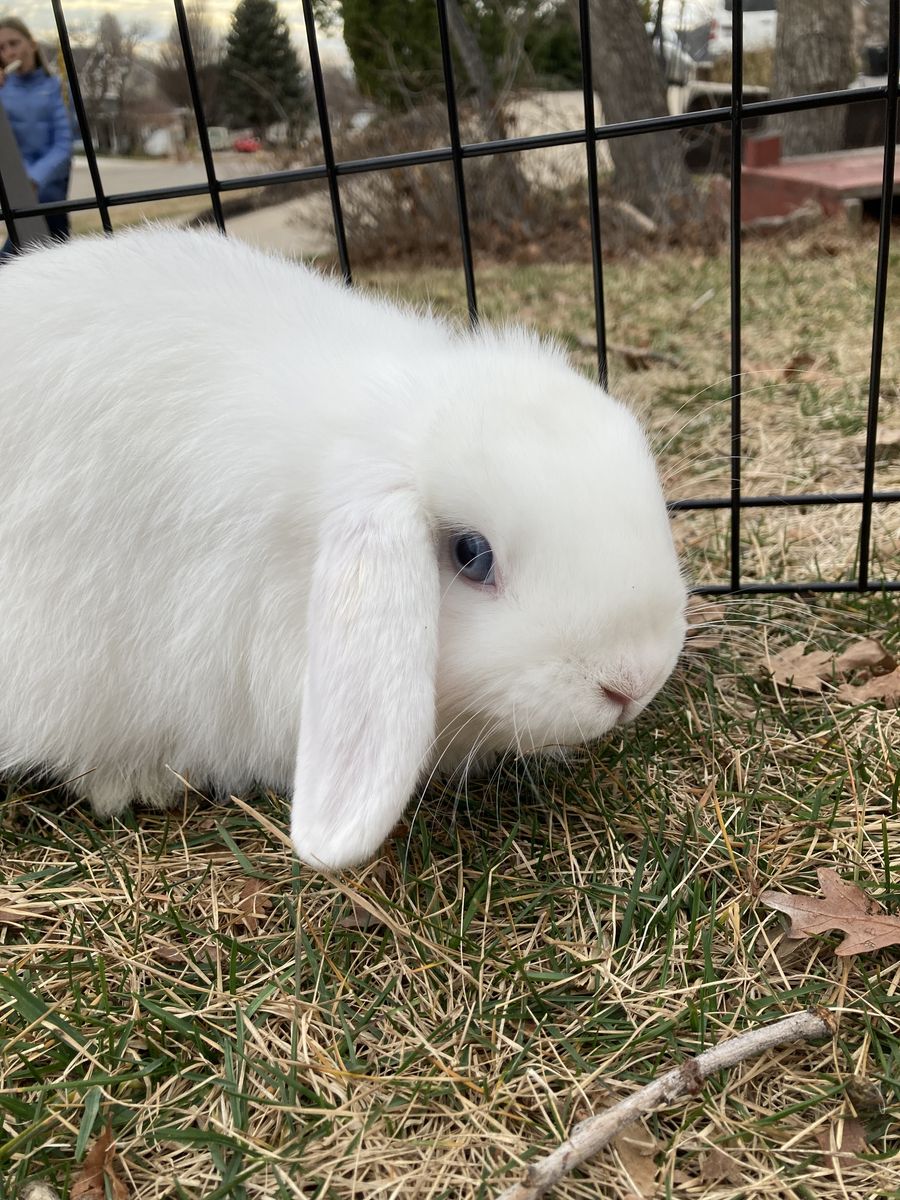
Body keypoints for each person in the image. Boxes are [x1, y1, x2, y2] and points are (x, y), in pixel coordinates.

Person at [0, 15, 72, 253]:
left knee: (47, 241)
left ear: (32, 44)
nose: (9, 52)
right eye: (2, 48)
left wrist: (34, 179)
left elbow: (63, 145)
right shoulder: (3, 90)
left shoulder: (56, 86)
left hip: (48, 184)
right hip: (15, 186)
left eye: (14, 43)